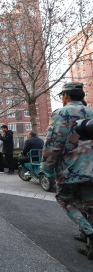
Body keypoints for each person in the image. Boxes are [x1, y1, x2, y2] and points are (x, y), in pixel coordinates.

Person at [40, 82, 93, 260]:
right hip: (92, 169)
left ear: (66, 96)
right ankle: (88, 238)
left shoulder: (61, 113)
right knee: (90, 203)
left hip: (70, 169)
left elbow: (54, 142)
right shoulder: (92, 113)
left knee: (64, 199)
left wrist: (46, 167)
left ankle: (90, 233)